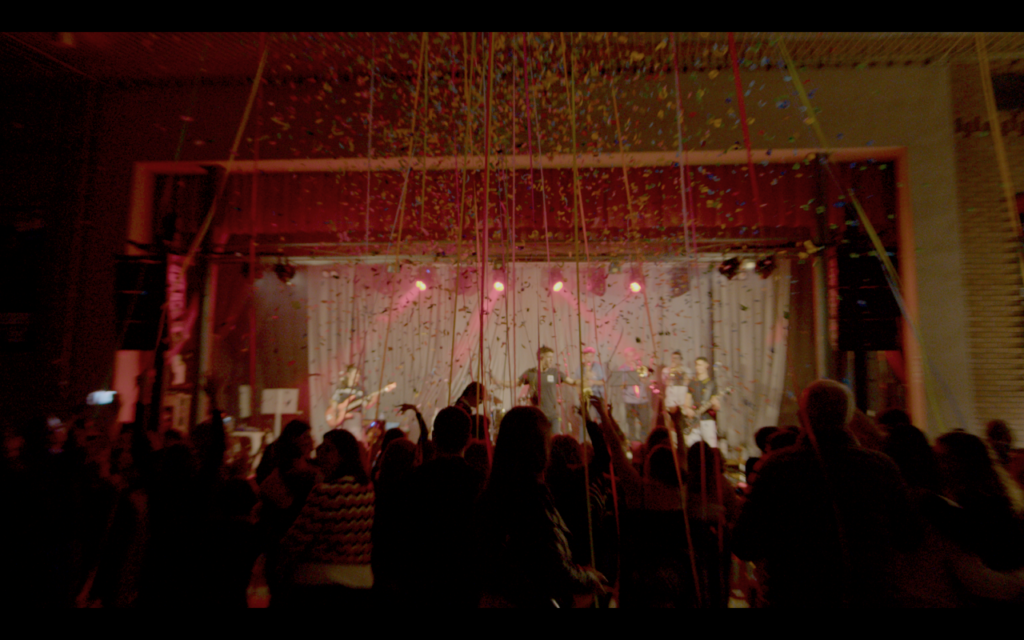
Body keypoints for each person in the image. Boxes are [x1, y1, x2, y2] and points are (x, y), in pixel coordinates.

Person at [732, 379, 914, 607]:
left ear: (802, 417)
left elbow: (745, 543)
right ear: (848, 417)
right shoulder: (881, 467)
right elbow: (908, 537)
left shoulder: (778, 468)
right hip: (866, 594)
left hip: (793, 595)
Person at [474, 406, 605, 607]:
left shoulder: (491, 494)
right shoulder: (531, 499)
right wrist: (586, 578)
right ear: (539, 447)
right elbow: (550, 566)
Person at [276, 429, 374, 608]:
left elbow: (297, 538)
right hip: (361, 579)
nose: (319, 451)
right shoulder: (367, 490)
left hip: (322, 580)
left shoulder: (326, 492)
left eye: (328, 449)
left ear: (343, 456)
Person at [514, 347, 578, 436]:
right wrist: (499, 382)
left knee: (555, 438)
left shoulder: (554, 372)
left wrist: (584, 381)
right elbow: (515, 383)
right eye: (549, 357)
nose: (551, 360)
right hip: (538, 416)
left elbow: (572, 382)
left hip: (553, 416)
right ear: (541, 357)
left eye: (552, 357)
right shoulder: (530, 373)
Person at [683, 357, 720, 449]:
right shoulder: (692, 383)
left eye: (700, 365)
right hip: (694, 422)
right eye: (696, 365)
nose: (697, 367)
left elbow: (717, 407)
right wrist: (688, 410)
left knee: (711, 448)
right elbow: (686, 403)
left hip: (707, 420)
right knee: (691, 446)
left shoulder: (712, 384)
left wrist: (715, 404)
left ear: (706, 366)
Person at [662, 351, 691, 443]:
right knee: (671, 425)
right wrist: (671, 371)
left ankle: (683, 443)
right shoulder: (666, 370)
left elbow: (688, 382)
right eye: (673, 358)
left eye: (677, 358)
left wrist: (681, 371)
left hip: (682, 401)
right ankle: (672, 443)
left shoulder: (686, 370)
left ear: (681, 359)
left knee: (682, 425)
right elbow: (666, 383)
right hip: (671, 401)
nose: (674, 360)